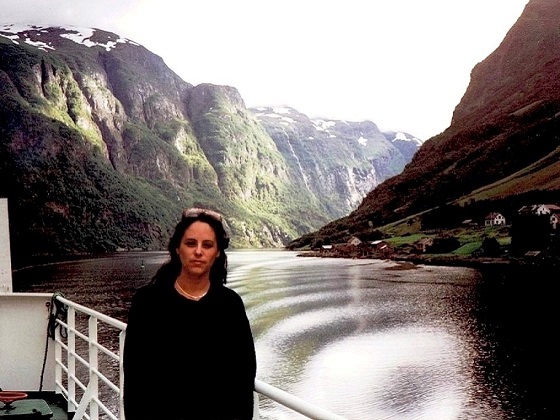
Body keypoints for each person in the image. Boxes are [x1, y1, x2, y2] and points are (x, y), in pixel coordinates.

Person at [123, 208, 257, 420]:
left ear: (218, 252)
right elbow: (135, 379)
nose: (198, 252)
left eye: (208, 245)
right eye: (191, 243)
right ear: (178, 248)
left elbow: (243, 377)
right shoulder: (148, 302)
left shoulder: (230, 305)